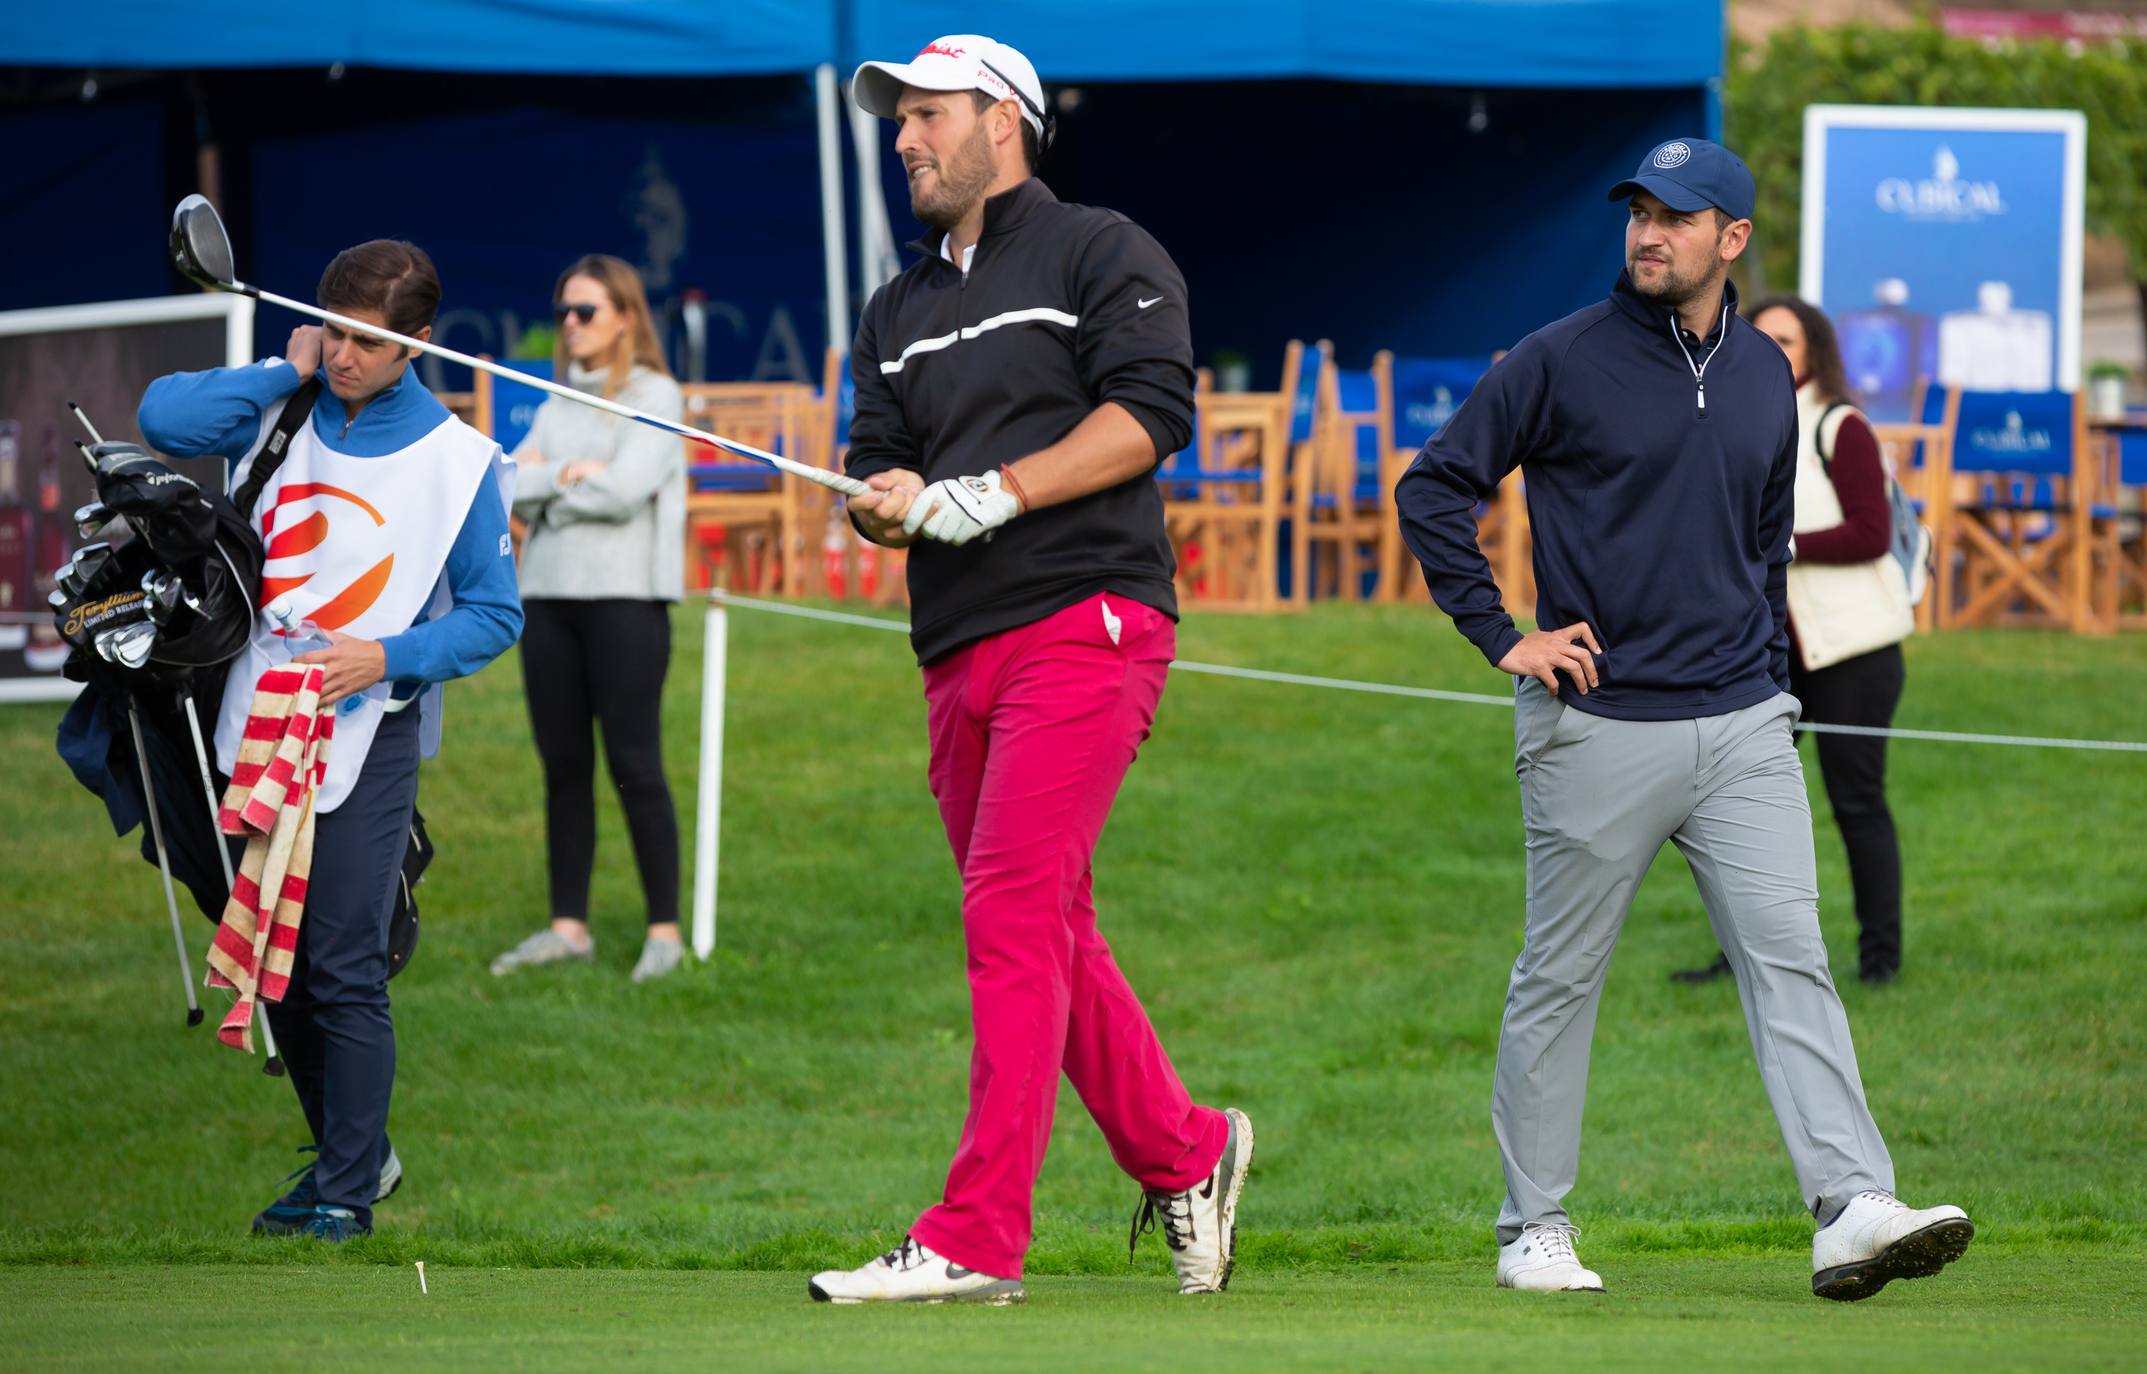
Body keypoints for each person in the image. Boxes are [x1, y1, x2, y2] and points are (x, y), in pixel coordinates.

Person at [1393, 138, 1971, 1301]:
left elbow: (1764, 546)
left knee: (1790, 960)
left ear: (1731, 239)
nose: (1647, 234)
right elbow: (1432, 486)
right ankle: (1531, 1228)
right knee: (1559, 978)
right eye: (1639, 213)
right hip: (1595, 723)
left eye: (1675, 216)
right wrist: (1502, 636)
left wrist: (1772, 678)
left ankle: (1850, 1206)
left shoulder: (1762, 375)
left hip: (1744, 720)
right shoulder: (1558, 358)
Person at [806, 34, 1251, 1306]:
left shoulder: (1099, 248)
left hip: (1087, 617)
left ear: (1002, 120)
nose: (904, 139)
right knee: (1046, 922)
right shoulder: (893, 310)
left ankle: (975, 1236)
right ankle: (1188, 1151)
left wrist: (994, 491)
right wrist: (884, 504)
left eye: (927, 115)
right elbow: (876, 461)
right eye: (897, 119)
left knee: (1007, 911)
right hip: (956, 646)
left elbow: (1148, 414)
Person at [140, 239, 522, 1240]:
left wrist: (387, 655)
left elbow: (495, 615)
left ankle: (347, 1192)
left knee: (345, 960)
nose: (346, 356)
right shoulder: (287, 402)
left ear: (417, 345)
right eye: (335, 332)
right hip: (248, 716)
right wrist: (288, 366)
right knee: (278, 955)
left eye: (369, 342)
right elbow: (162, 419)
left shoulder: (459, 461)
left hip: (367, 731)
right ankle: (346, 1156)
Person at [1674, 297, 1909, 987]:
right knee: (1740, 809)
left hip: (1852, 651)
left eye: (1787, 339)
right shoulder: (1730, 415)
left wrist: (1781, 542)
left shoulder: (1840, 424)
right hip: (1766, 650)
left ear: (1814, 352)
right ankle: (1739, 956)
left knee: (1856, 803)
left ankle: (1880, 963)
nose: (1772, 349)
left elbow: (1872, 532)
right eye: (1762, 336)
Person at [488, 256, 688, 985]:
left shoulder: (656, 394)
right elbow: (507, 481)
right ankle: (567, 927)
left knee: (635, 764)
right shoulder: (556, 399)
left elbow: (625, 491)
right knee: (563, 766)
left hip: (627, 600)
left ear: (625, 317)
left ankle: (663, 931)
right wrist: (567, 474)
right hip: (547, 597)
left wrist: (551, 486)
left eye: (585, 311)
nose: (569, 324)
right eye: (563, 312)